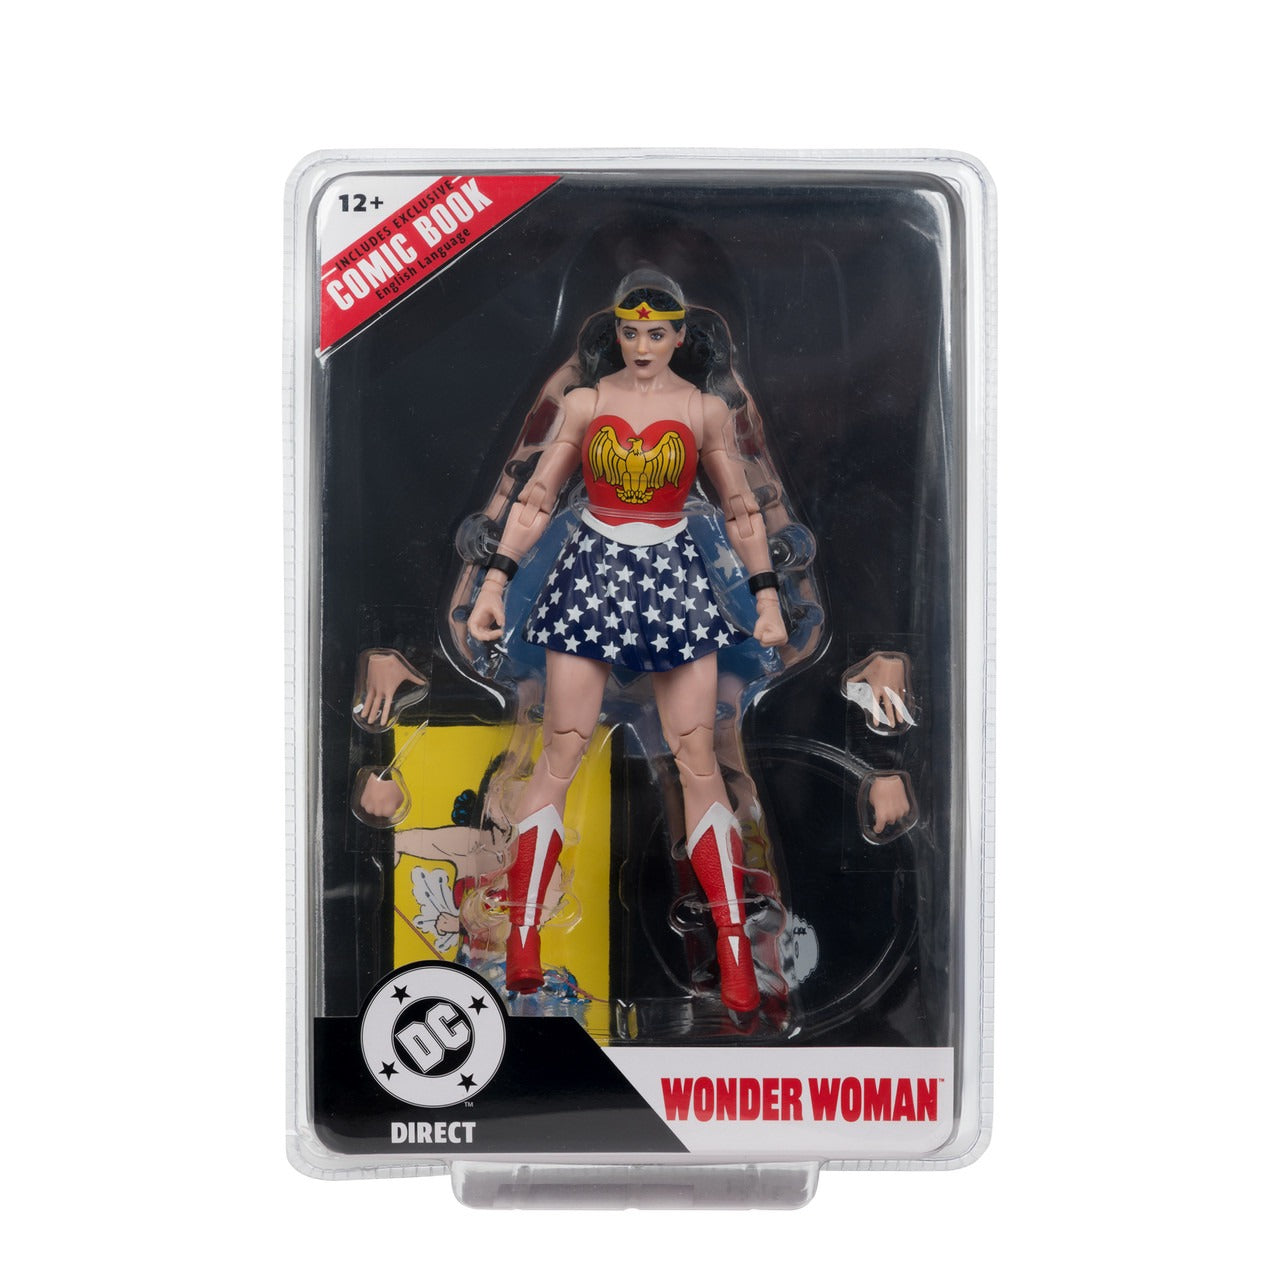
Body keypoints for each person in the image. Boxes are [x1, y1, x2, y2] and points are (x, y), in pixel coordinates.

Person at [467, 270, 795, 1013]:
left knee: (697, 758)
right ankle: (523, 935)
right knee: (560, 749)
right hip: (592, 568)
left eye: (656, 333)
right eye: (629, 330)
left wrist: (767, 597)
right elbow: (537, 496)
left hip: (674, 573)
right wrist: (493, 584)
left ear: (679, 336)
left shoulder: (703, 410)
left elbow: (742, 509)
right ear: (614, 331)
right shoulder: (587, 403)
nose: (642, 346)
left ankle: (734, 946)